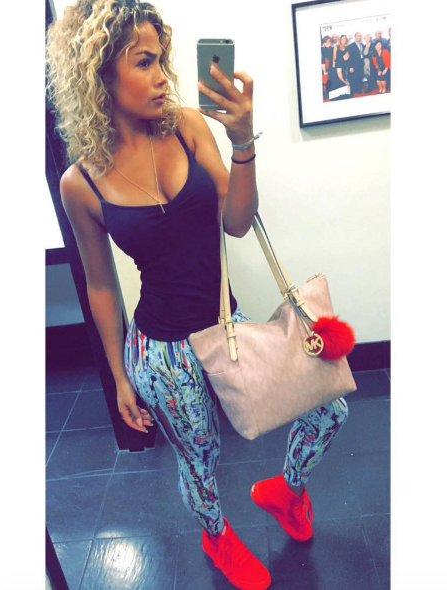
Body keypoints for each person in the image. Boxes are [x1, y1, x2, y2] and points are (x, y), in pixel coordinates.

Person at [46, 2, 349, 589]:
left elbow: (236, 222)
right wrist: (119, 378)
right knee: (200, 457)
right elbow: (101, 285)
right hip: (160, 351)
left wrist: (242, 143)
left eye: (162, 60)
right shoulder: (79, 184)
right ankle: (216, 534)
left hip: (223, 324)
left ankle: (287, 491)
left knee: (328, 408)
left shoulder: (186, 126)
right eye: (144, 63)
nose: (163, 76)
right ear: (100, 74)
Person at [347, 32, 365, 96]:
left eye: (360, 36)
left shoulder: (362, 45)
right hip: (353, 65)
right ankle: (353, 91)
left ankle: (358, 89)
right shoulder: (350, 46)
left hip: (361, 64)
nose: (359, 37)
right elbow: (349, 58)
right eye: (357, 36)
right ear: (355, 37)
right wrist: (350, 66)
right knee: (353, 78)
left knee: (360, 77)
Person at [321, 35, 333, 100]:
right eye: (327, 41)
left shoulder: (332, 48)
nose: (328, 43)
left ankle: (329, 94)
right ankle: (325, 95)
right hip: (325, 67)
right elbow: (322, 60)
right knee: (325, 82)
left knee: (330, 81)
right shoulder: (322, 49)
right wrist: (324, 71)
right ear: (324, 42)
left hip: (331, 67)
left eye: (329, 41)